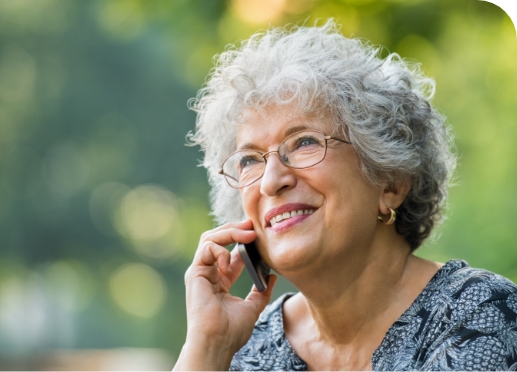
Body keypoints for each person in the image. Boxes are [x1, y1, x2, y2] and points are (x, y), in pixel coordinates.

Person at [174, 21, 517, 371]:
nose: (271, 182)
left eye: (304, 142)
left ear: (391, 181)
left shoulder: (480, 314)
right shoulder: (244, 349)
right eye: (249, 160)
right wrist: (207, 347)